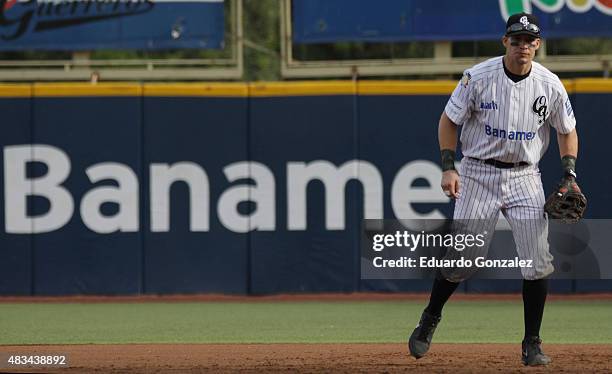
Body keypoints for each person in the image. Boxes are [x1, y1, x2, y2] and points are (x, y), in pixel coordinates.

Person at [408, 12, 579, 366]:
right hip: (477, 175)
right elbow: (448, 121)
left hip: (525, 177)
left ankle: (532, 343)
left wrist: (569, 173)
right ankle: (429, 319)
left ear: (538, 45)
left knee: (537, 262)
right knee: (461, 260)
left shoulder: (549, 84)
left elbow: (567, 129)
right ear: (505, 42)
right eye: (516, 40)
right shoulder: (478, 77)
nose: (523, 46)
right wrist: (447, 167)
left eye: (530, 41)